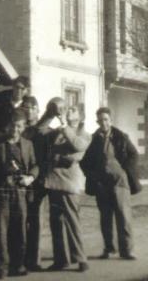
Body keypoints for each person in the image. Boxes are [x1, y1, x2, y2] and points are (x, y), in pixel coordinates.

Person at [80, 107, 141, 261]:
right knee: (105, 217)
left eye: (106, 119)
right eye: (100, 120)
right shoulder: (93, 139)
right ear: (97, 122)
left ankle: (127, 250)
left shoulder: (121, 137)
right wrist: (92, 175)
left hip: (119, 182)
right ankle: (109, 249)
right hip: (102, 184)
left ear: (110, 120)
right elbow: (84, 162)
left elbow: (134, 154)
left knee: (123, 215)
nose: (103, 123)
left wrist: (124, 170)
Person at [44, 105, 91, 273]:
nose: (68, 111)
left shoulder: (84, 134)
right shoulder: (58, 132)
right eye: (68, 109)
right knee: (56, 222)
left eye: (73, 110)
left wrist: (64, 128)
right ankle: (61, 259)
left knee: (72, 221)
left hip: (70, 183)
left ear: (80, 117)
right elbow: (51, 150)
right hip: (54, 181)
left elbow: (78, 148)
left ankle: (81, 258)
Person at [0, 109, 38, 278]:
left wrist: (30, 178)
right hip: (3, 191)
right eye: (13, 126)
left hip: (20, 191)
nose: (15, 130)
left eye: (19, 126)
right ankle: (2, 267)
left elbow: (35, 165)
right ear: (7, 126)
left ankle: (18, 265)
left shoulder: (28, 144)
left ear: (24, 127)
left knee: (20, 229)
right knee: (2, 230)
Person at [22, 97, 64, 271]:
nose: (29, 111)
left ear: (38, 111)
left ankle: (35, 260)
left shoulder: (47, 131)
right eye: (26, 108)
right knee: (25, 219)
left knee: (38, 220)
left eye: (33, 108)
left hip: (42, 179)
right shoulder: (21, 129)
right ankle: (23, 258)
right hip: (25, 179)